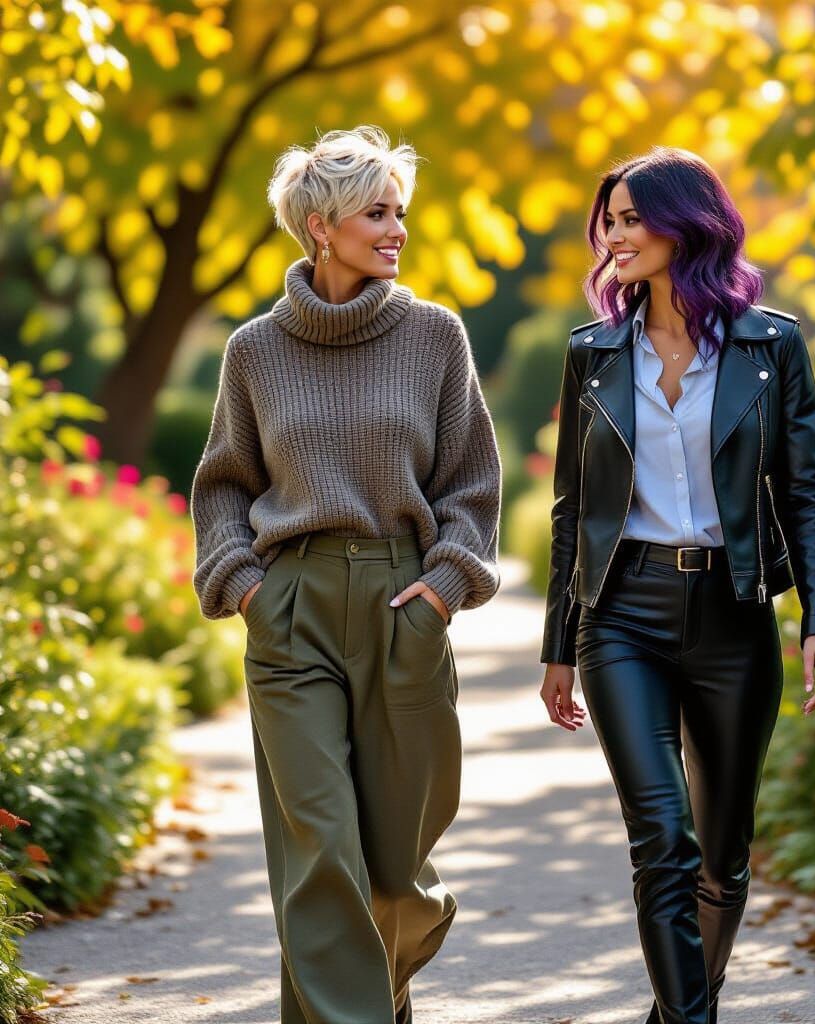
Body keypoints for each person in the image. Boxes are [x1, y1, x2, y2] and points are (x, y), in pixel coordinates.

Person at [191, 125, 501, 1024]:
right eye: (378, 212)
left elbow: (473, 484)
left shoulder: (436, 336)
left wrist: (444, 588)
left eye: (400, 211)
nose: (398, 228)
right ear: (321, 226)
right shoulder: (254, 351)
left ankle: (375, 996)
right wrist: (248, 588)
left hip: (405, 606)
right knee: (322, 854)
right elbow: (222, 488)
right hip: (292, 613)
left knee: (398, 882)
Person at [539, 147, 815, 1024]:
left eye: (635, 217)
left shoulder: (770, 346)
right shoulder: (592, 353)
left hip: (734, 615)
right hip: (621, 614)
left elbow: (807, 493)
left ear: (687, 224)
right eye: (613, 219)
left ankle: (675, 1010)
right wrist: (560, 644)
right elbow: (573, 508)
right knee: (662, 842)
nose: (616, 234)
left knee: (722, 857)